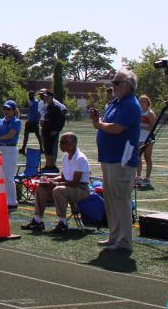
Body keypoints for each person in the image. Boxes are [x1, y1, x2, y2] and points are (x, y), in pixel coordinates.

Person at [88, 69, 141, 253]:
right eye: (113, 82)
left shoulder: (130, 104)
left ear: (128, 85)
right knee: (110, 200)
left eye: (117, 83)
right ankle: (114, 236)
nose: (113, 86)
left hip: (121, 159)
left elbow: (117, 128)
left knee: (120, 199)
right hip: (109, 158)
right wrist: (97, 120)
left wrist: (99, 124)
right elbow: (104, 124)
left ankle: (124, 241)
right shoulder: (115, 103)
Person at [21, 132, 91, 233]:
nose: (60, 144)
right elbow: (63, 177)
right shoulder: (65, 157)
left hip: (81, 189)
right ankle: (37, 221)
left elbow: (75, 182)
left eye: (63, 142)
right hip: (69, 187)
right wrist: (49, 180)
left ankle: (63, 223)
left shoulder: (80, 158)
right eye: (60, 142)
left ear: (72, 144)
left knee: (58, 190)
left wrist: (55, 184)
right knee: (41, 188)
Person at [0, 100, 22, 210]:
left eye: (8, 109)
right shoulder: (0, 121)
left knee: (8, 176)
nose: (6, 111)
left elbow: (10, 135)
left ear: (13, 110)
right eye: (4, 108)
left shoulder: (16, 121)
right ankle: (2, 199)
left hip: (10, 150)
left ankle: (12, 202)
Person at [39, 90, 67, 172]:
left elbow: (62, 120)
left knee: (50, 150)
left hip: (51, 132)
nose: (45, 98)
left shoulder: (55, 107)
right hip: (46, 132)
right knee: (47, 149)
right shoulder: (48, 107)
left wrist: (56, 130)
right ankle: (48, 165)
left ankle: (52, 166)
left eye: (47, 97)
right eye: (45, 97)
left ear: (51, 97)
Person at [137, 95, 156, 187]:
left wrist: (143, 126)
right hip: (138, 138)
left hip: (148, 138)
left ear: (148, 103)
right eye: (140, 101)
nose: (141, 103)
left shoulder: (150, 113)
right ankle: (138, 176)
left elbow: (153, 127)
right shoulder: (138, 112)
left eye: (143, 101)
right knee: (138, 157)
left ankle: (147, 177)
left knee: (147, 157)